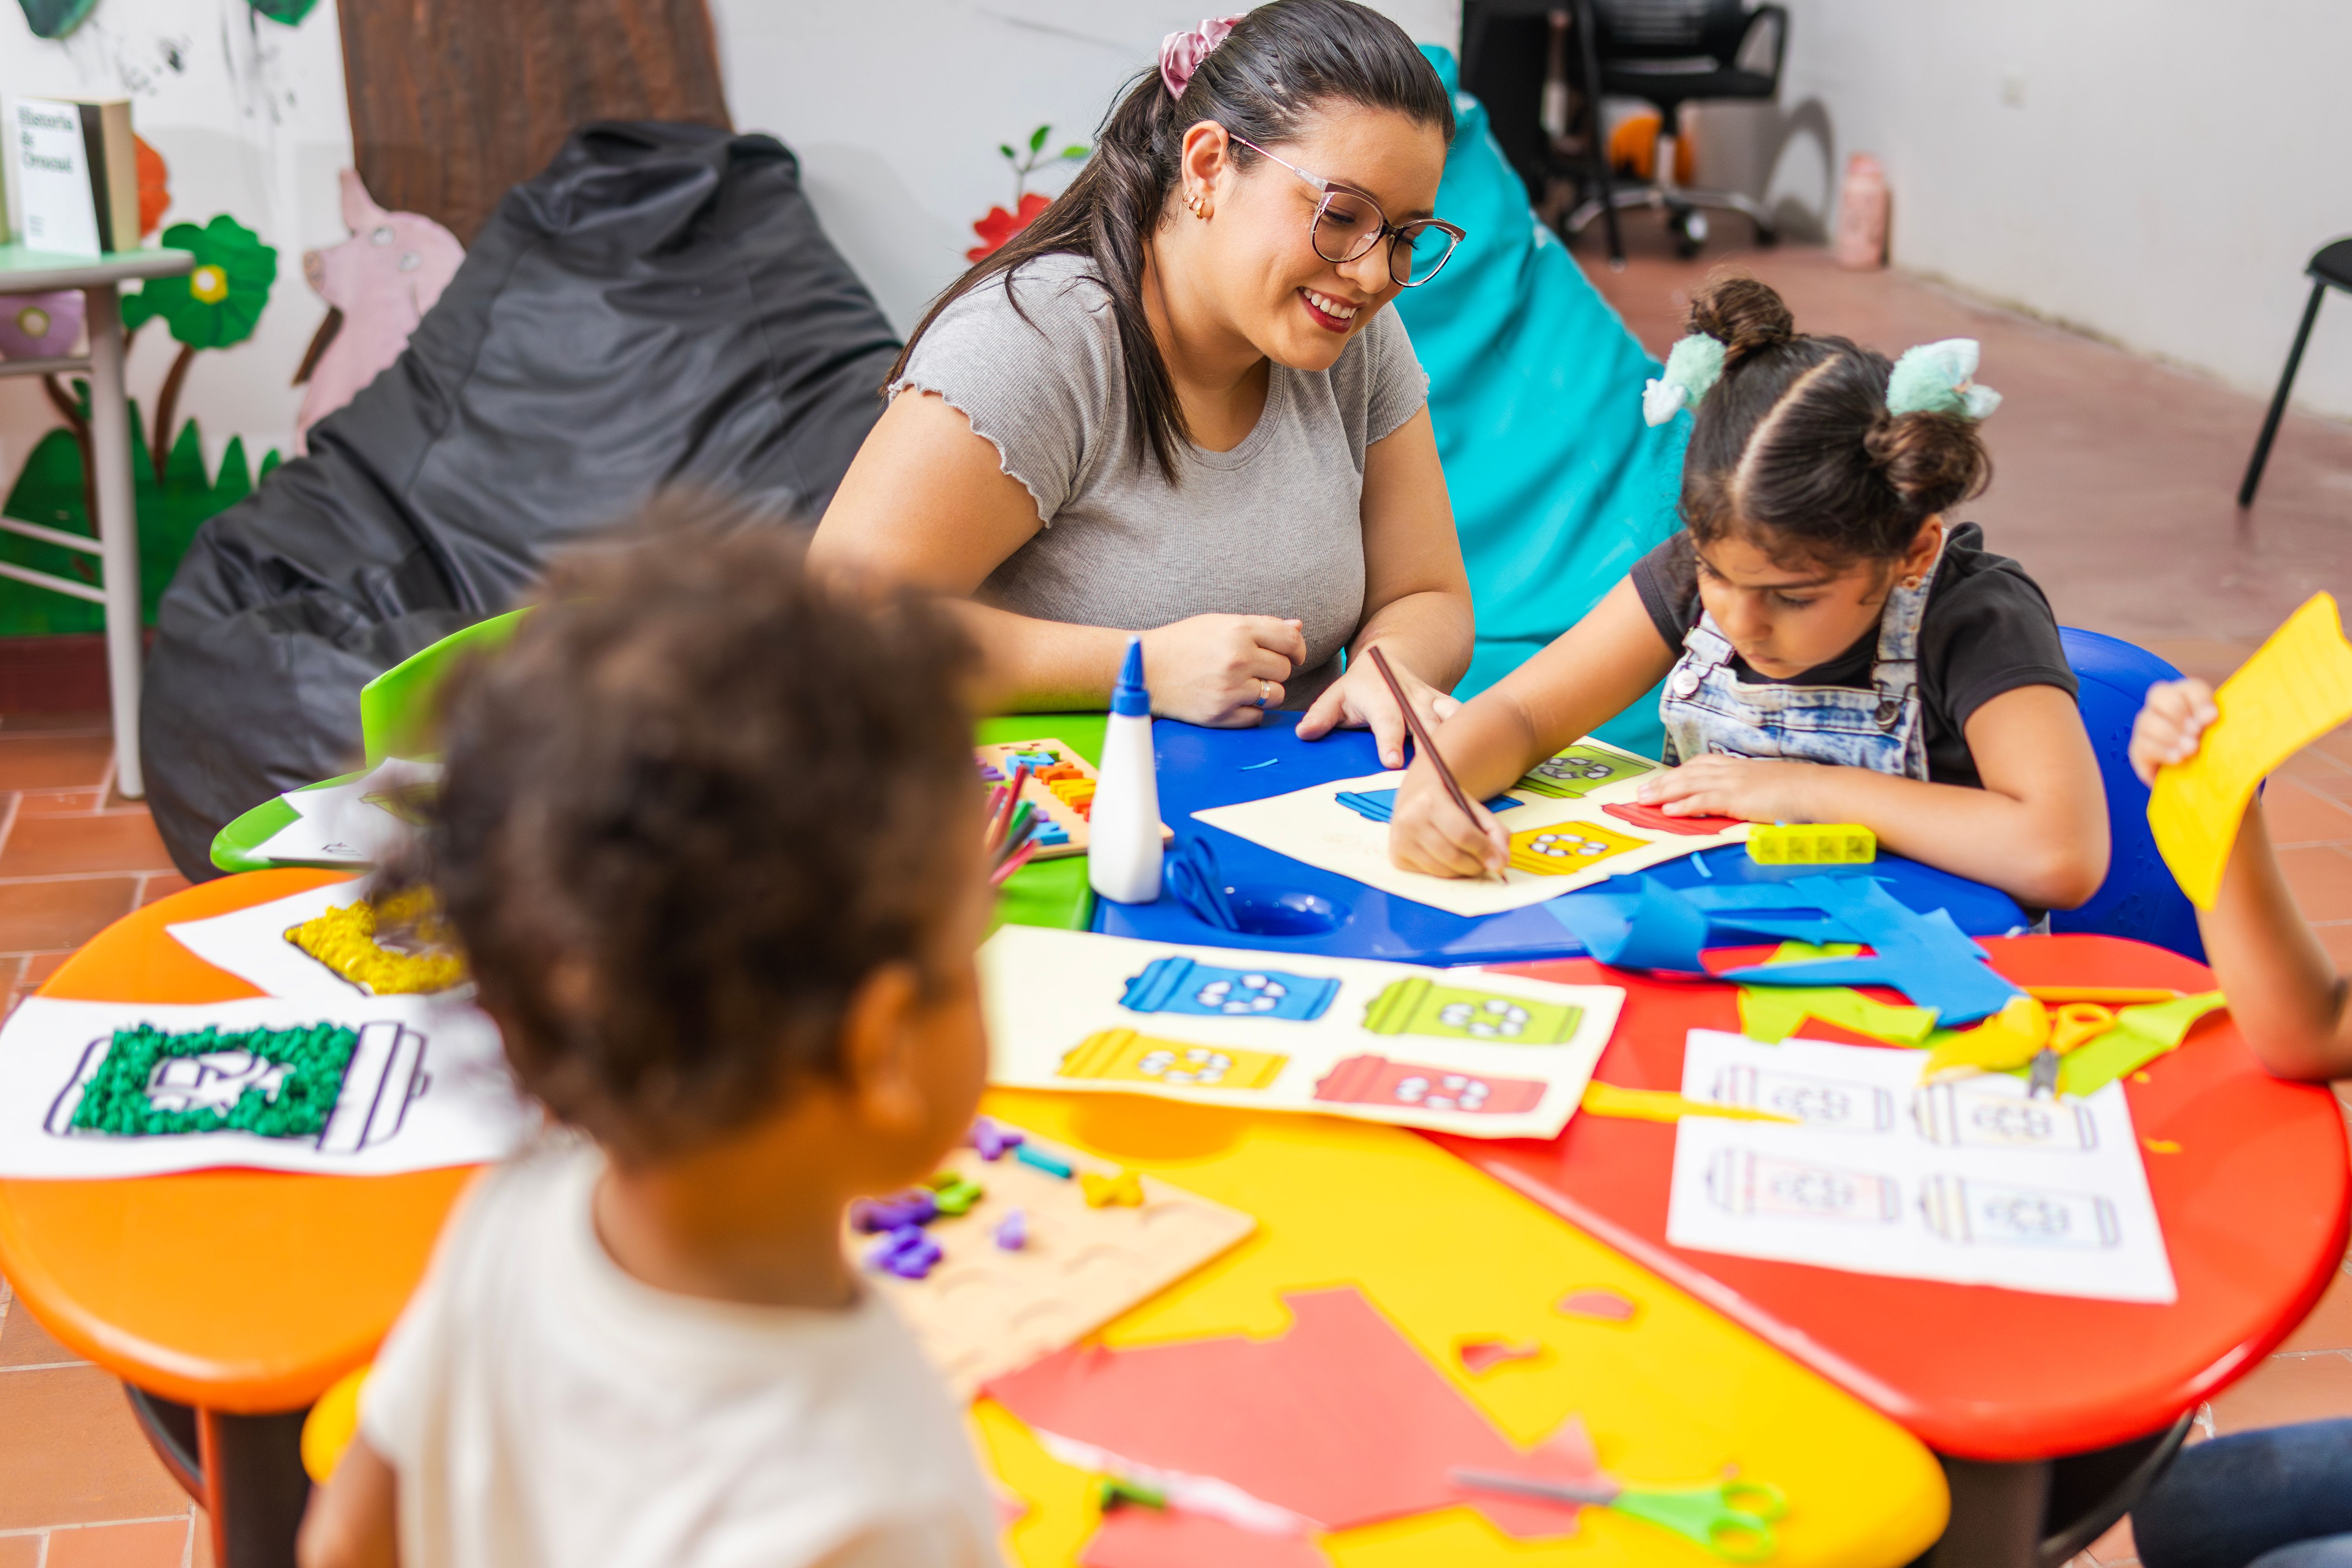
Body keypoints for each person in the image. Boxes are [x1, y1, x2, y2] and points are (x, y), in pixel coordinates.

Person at [297, 505, 1002, 1568]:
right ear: (884, 1044)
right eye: (973, 936)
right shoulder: (875, 1501)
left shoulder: (516, 1216)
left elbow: (346, 1540)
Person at [810, 1, 1476, 771]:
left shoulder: (1351, 334)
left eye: (1404, 236)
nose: (1371, 274)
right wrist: (1140, 667)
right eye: (1340, 213)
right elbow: (840, 629)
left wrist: (1391, 669)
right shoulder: (1038, 341)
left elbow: (1428, 594)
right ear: (1208, 166)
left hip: (1290, 813)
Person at [1386, 273, 2111, 913]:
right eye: (1717, 575)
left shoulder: (1977, 619)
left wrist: (1803, 791)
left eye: (1794, 599)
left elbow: (2060, 854)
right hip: (1716, 937)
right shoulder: (1694, 575)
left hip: (1931, 970)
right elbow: (1522, 713)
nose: (1742, 621)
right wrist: (1436, 788)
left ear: (1913, 554)